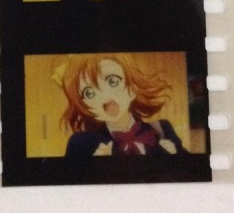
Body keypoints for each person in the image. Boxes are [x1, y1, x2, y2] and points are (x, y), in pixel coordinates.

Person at [56, 54, 186, 158]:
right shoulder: (82, 144)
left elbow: (190, 172)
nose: (105, 96)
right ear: (84, 105)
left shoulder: (163, 129)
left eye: (113, 81)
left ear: (133, 89)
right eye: (89, 93)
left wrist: (174, 157)